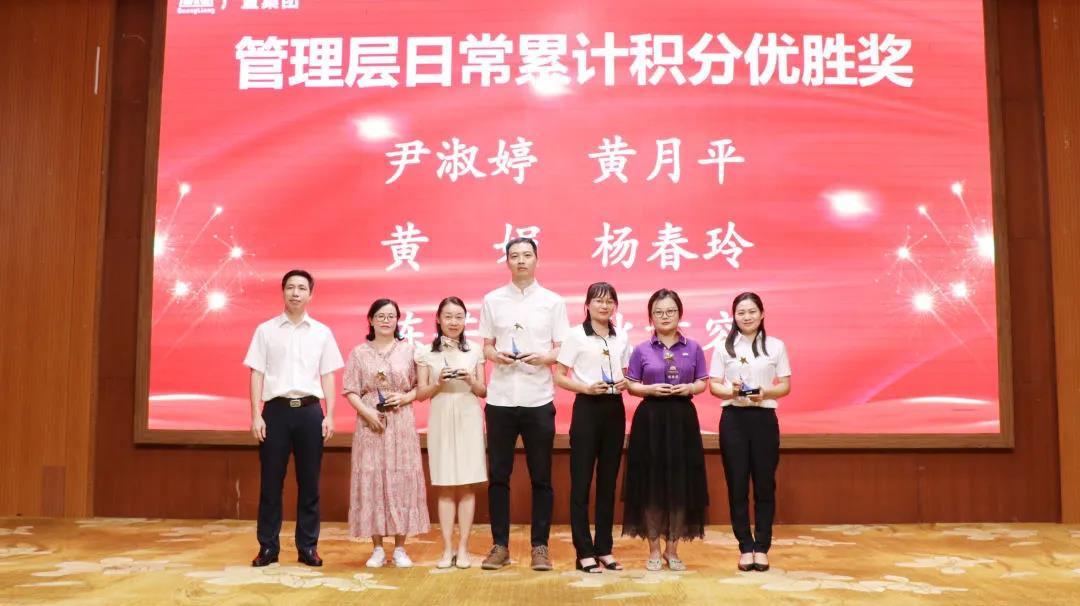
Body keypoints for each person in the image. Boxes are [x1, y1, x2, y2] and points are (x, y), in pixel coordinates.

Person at [479, 237, 569, 571]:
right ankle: (499, 546)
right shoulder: (492, 300)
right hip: (500, 398)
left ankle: (540, 546)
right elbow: (486, 346)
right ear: (507, 261)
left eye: (527, 255)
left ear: (536, 260)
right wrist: (495, 355)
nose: (521, 260)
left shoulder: (553, 302)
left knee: (541, 477)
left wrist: (544, 357)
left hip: (538, 398)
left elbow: (562, 348)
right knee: (498, 476)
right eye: (514, 256)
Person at [245, 269, 344, 568]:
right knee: (270, 483)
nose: (295, 293)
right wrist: (256, 415)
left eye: (302, 288)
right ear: (283, 292)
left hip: (310, 412)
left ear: (311, 294)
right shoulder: (266, 330)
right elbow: (257, 373)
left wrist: (330, 415)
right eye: (290, 287)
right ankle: (268, 547)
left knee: (309, 483)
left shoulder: (322, 332)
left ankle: (308, 547)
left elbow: (328, 375)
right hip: (275, 411)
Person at [622, 288, 709, 572]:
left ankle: (673, 549)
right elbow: (631, 385)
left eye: (670, 311)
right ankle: (653, 550)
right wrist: (649, 389)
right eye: (658, 312)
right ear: (651, 317)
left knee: (680, 485)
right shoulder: (641, 350)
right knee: (651, 485)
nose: (665, 316)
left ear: (679, 314)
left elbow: (702, 382)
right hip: (650, 420)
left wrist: (690, 387)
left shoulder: (693, 347)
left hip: (682, 419)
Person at [342, 298, 430, 568]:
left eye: (391, 316)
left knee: (402, 478)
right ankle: (378, 548)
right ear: (370, 320)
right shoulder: (359, 353)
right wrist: (367, 413)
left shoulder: (410, 351)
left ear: (397, 320)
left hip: (401, 423)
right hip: (370, 424)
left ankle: (401, 548)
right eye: (380, 315)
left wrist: (404, 398)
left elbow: (421, 388)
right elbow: (350, 390)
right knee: (373, 478)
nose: (385, 320)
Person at [709, 292, 791, 572]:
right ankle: (745, 546)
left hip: (764, 418)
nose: (747, 317)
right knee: (737, 484)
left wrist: (765, 392)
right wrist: (730, 391)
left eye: (752, 311)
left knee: (765, 483)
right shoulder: (723, 347)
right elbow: (714, 385)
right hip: (733, 419)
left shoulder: (776, 345)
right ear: (734, 316)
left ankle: (762, 547)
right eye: (741, 312)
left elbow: (785, 386)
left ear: (762, 314)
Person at [554, 282, 630, 573]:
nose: (604, 305)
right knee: (582, 482)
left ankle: (604, 549)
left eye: (609, 301)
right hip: (587, 408)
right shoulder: (575, 335)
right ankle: (584, 551)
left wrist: (625, 382)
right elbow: (560, 376)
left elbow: (628, 374)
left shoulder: (620, 336)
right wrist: (585, 388)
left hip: (614, 409)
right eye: (598, 300)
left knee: (608, 483)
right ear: (587, 305)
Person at [414, 296, 488, 569]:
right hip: (441, 414)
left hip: (468, 414)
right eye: (448, 316)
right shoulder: (425, 352)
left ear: (465, 319)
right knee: (445, 485)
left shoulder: (475, 350)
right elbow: (421, 394)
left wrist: (470, 379)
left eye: (459, 317)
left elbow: (483, 391)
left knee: (467, 485)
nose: (454, 322)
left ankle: (464, 548)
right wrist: (438, 383)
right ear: (438, 319)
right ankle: (447, 549)